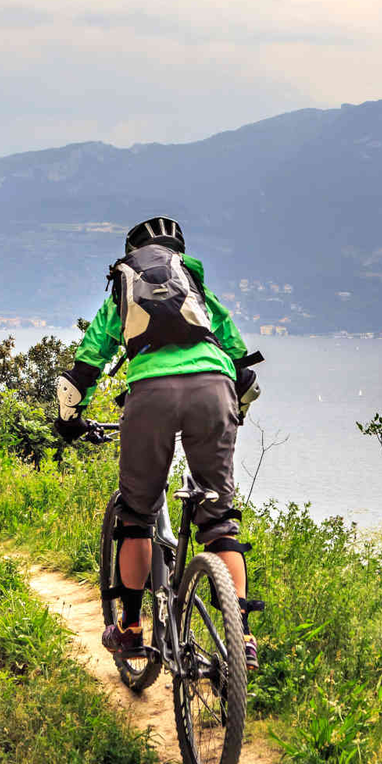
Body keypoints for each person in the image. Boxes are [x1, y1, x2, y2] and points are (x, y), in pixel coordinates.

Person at [55, 216, 263, 670]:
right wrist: (235, 408)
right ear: (178, 254)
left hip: (151, 394)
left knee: (137, 517)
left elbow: (88, 362)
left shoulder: (124, 289)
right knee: (220, 521)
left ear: (133, 255)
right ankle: (241, 635)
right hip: (214, 387)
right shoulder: (196, 287)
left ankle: (130, 628)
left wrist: (69, 418)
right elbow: (243, 365)